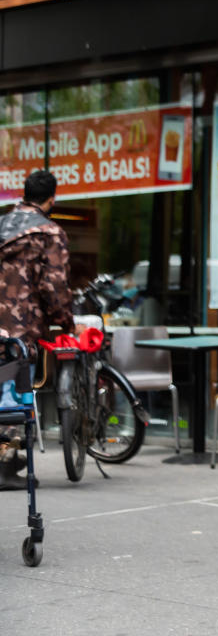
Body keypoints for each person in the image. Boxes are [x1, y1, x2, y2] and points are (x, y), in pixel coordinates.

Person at [0, 170, 74, 490]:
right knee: (15, 389)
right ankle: (6, 463)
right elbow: (54, 288)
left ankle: (8, 461)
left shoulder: (2, 225)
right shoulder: (50, 233)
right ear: (52, 198)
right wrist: (67, 321)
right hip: (21, 326)